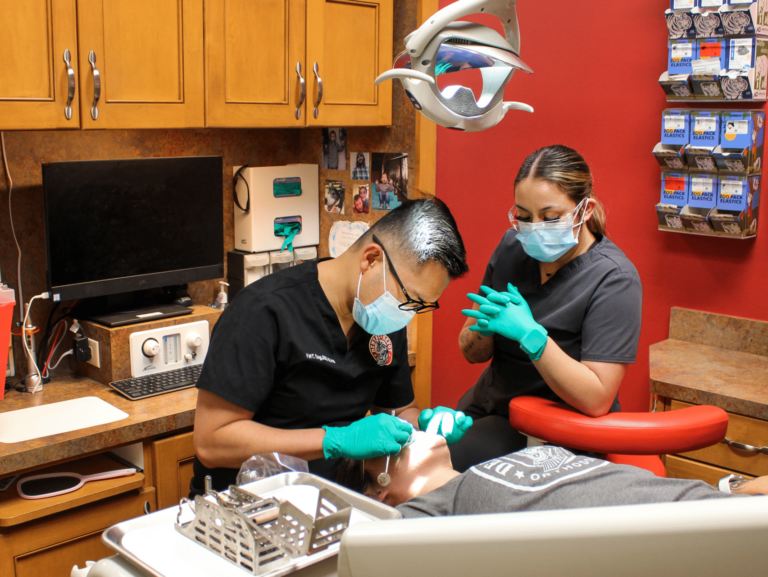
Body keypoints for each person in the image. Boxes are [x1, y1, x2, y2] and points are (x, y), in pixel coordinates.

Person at [190, 199, 472, 496]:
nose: (409, 313)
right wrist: (333, 440)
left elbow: (397, 409)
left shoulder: (385, 324)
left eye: (421, 305)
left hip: (330, 500)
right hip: (246, 504)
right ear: (371, 259)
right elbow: (212, 441)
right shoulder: (263, 311)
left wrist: (423, 424)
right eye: (410, 299)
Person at [452, 145, 643, 472]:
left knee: (446, 473)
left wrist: (531, 335)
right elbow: (472, 353)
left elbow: (597, 399)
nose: (534, 227)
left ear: (585, 210)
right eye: (524, 217)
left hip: (557, 431)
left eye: (551, 217)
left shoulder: (615, 279)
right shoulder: (512, 246)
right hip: (491, 409)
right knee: (419, 456)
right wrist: (483, 330)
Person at [337, 431, 766, 515]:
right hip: (708, 537)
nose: (403, 432)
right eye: (385, 447)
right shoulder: (432, 513)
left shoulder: (480, 467)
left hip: (719, 500)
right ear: (381, 491)